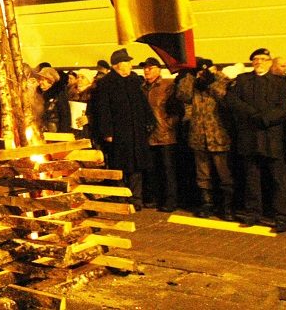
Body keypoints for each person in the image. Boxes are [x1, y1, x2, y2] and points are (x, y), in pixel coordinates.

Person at [226, 47, 286, 232]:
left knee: (278, 180)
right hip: (249, 136)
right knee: (251, 178)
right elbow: (233, 101)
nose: (259, 62)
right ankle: (253, 214)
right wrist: (253, 115)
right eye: (256, 59)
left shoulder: (279, 83)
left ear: (270, 62)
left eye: (263, 59)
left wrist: (266, 118)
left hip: (272, 137)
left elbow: (285, 107)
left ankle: (281, 218)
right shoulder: (243, 80)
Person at [89, 48, 155, 210]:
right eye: (127, 62)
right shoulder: (106, 83)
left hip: (136, 131)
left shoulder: (134, 81)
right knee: (120, 165)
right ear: (118, 65)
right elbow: (103, 110)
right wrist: (107, 132)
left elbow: (143, 104)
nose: (131, 65)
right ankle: (121, 196)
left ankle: (136, 198)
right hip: (118, 133)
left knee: (136, 167)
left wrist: (149, 121)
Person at [176, 57, 234, 220]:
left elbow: (224, 96)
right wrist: (189, 76)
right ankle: (207, 204)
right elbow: (183, 95)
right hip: (198, 136)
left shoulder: (221, 80)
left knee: (224, 174)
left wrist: (211, 82)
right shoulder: (193, 83)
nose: (202, 73)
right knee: (203, 174)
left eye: (204, 70)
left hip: (218, 136)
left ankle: (227, 206)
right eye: (199, 70)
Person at [141, 58, 179, 213]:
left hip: (165, 135)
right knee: (152, 169)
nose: (147, 71)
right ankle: (155, 198)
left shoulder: (167, 85)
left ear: (158, 69)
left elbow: (176, 110)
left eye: (150, 68)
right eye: (145, 68)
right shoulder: (142, 87)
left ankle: (171, 201)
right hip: (148, 136)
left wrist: (168, 125)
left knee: (167, 170)